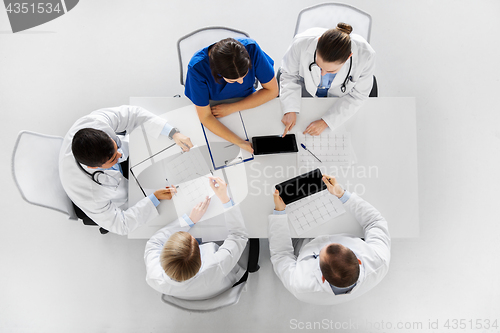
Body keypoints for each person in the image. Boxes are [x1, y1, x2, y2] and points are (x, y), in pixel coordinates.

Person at [59, 105, 193, 235]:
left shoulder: (94, 122)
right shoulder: (90, 194)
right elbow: (120, 226)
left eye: (116, 146)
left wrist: (172, 132)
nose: (120, 154)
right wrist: (154, 198)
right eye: (112, 158)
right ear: (94, 167)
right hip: (112, 193)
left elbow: (133, 114)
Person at [268, 175, 390, 305]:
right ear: (358, 260)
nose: (327, 241)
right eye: (339, 245)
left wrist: (279, 213)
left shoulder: (300, 284)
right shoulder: (378, 260)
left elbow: (281, 254)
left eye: (319, 253)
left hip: (304, 239)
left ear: (321, 276)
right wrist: (342, 194)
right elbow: (375, 222)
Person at [144, 177, 249, 300]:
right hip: (220, 285)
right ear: (200, 258)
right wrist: (225, 199)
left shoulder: (154, 276)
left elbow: (154, 242)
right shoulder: (216, 266)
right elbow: (239, 235)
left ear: (162, 256)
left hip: (192, 293)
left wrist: (190, 220)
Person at [280, 23, 376, 137]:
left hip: (339, 101)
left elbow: (358, 95)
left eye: (330, 72)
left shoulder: (366, 55)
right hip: (306, 96)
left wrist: (327, 122)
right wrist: (290, 108)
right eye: (318, 66)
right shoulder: (300, 43)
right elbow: (289, 76)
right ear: (318, 42)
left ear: (349, 57)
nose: (322, 73)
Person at [185, 37, 279, 153]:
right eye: (233, 81)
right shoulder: (197, 68)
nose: (241, 82)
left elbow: (272, 91)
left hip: (249, 103)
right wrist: (240, 142)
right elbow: (205, 116)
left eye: (244, 76)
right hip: (216, 111)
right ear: (216, 73)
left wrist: (232, 108)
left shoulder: (252, 48)